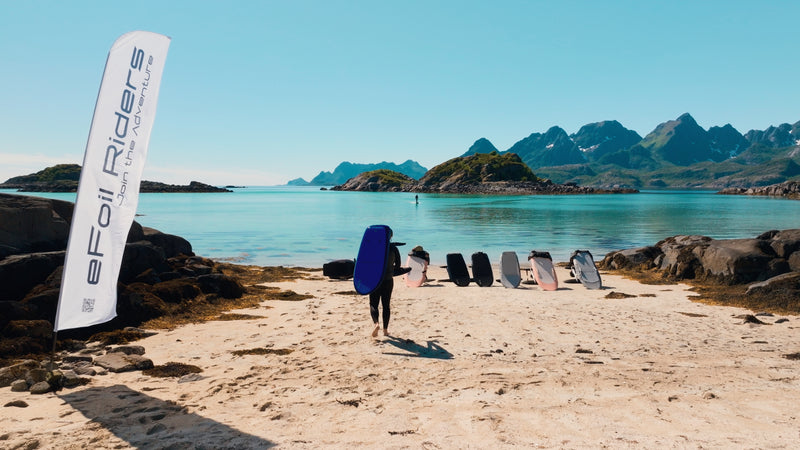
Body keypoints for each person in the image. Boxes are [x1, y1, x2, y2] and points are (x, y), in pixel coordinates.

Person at [370, 240, 407, 337]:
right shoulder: (394, 248)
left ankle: (376, 324)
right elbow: (398, 266)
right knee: (386, 305)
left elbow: (366, 263)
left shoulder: (373, 246)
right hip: (388, 280)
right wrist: (390, 268)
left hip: (374, 280)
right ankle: (385, 330)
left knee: (374, 304)